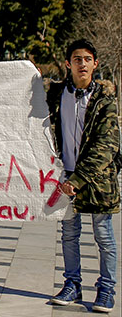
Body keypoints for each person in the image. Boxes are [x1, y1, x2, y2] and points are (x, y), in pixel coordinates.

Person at [48, 39, 119, 313]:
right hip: (65, 176)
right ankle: (72, 284)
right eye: (77, 59)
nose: (82, 64)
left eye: (87, 59)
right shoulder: (55, 96)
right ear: (68, 64)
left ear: (95, 64)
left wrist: (78, 179)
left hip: (97, 180)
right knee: (69, 234)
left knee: (103, 235)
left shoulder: (105, 101)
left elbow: (107, 145)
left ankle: (106, 290)